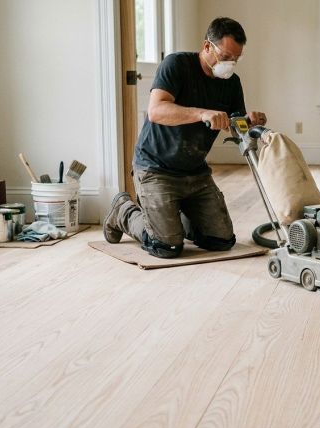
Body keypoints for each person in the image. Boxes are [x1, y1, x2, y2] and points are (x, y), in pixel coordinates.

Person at [103, 17, 266, 258]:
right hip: (156, 169)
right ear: (207, 46)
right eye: (225, 56)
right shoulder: (177, 65)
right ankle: (123, 210)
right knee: (165, 246)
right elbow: (156, 111)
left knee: (221, 240)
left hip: (195, 173)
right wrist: (201, 113)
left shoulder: (231, 83)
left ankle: (169, 215)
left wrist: (248, 123)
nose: (230, 64)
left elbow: (234, 126)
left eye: (235, 59)